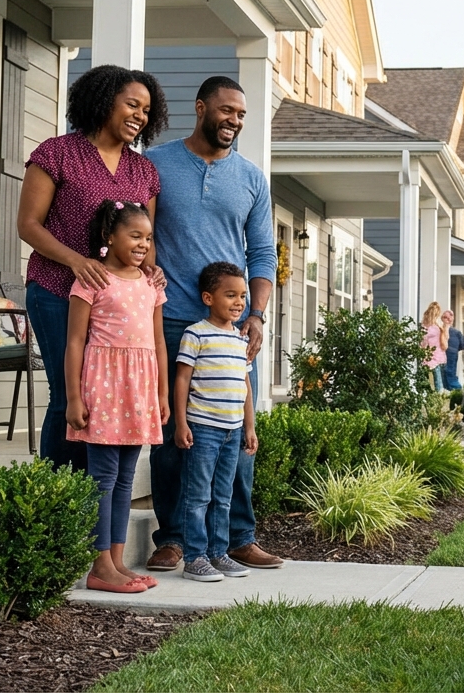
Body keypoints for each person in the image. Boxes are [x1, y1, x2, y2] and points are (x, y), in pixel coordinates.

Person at [143, 76, 281, 572]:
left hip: (233, 328)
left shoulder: (250, 178)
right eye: (226, 111)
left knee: (237, 436)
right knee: (171, 433)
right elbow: (142, 232)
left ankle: (237, 537)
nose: (234, 121)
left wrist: (257, 315)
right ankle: (174, 538)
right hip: (173, 317)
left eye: (241, 115)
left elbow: (263, 252)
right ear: (200, 107)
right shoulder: (156, 164)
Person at [18, 65, 169, 472]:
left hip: (116, 306)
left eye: (146, 110)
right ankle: (58, 501)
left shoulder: (143, 172)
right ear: (103, 102)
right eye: (132, 105)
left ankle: (95, 504)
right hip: (55, 290)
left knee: (102, 398)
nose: (140, 116)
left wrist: (152, 271)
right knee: (66, 395)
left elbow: (144, 238)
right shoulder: (56, 153)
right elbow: (28, 224)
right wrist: (76, 261)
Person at [65, 200, 168, 594]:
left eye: (148, 237)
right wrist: (74, 398)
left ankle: (118, 562)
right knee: (103, 479)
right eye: (134, 236)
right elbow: (75, 341)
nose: (143, 244)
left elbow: (158, 341)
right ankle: (99, 565)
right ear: (110, 236)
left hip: (138, 389)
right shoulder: (91, 279)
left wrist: (161, 393)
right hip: (104, 387)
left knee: (126, 478)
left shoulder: (151, 284)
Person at [174, 263, 258, 582]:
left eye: (242, 296)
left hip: (232, 431)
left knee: (223, 496)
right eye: (230, 295)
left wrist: (249, 427)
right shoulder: (196, 334)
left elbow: (245, 387)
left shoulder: (240, 340)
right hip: (203, 429)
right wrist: (181, 423)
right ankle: (194, 557)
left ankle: (218, 553)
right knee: (198, 496)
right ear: (208, 298)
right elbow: (182, 380)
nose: (239, 302)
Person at [421, 301, 449, 391]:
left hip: (432, 358)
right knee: (438, 384)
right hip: (437, 357)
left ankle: (432, 399)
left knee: (431, 383)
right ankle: (437, 399)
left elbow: (423, 342)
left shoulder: (427, 326)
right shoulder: (436, 325)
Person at [441, 310, 464, 390]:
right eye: (445, 317)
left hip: (450, 357)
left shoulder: (457, 333)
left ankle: (459, 394)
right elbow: (462, 346)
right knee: (447, 376)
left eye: (448, 318)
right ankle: (458, 394)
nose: (447, 319)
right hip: (444, 357)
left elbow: (462, 346)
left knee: (447, 376)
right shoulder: (457, 333)